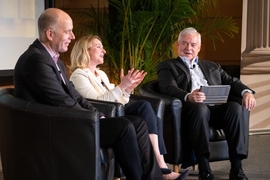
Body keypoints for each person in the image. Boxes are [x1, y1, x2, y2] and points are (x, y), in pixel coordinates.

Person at [13, 7, 179, 180]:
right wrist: (92, 117)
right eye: (68, 31)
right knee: (123, 127)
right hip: (59, 127)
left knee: (137, 122)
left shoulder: (53, 59)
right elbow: (61, 102)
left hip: (73, 121)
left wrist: (98, 114)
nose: (73, 36)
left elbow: (75, 96)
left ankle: (155, 177)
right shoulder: (36, 60)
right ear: (50, 34)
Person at [68, 35, 189, 179]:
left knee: (152, 118)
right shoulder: (79, 75)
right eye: (99, 47)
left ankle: (159, 168)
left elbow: (119, 100)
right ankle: (160, 166)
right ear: (86, 51)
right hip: (103, 117)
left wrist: (127, 89)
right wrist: (122, 87)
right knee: (144, 108)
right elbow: (96, 102)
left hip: (114, 111)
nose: (104, 51)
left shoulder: (100, 74)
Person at [157, 27, 256, 180]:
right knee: (200, 109)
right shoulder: (168, 66)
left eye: (193, 44)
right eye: (184, 43)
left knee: (234, 108)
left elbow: (232, 81)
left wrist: (247, 92)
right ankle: (204, 168)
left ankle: (237, 168)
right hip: (190, 111)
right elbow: (167, 87)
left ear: (199, 47)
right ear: (177, 45)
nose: (188, 48)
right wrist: (189, 96)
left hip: (215, 109)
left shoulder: (212, 66)